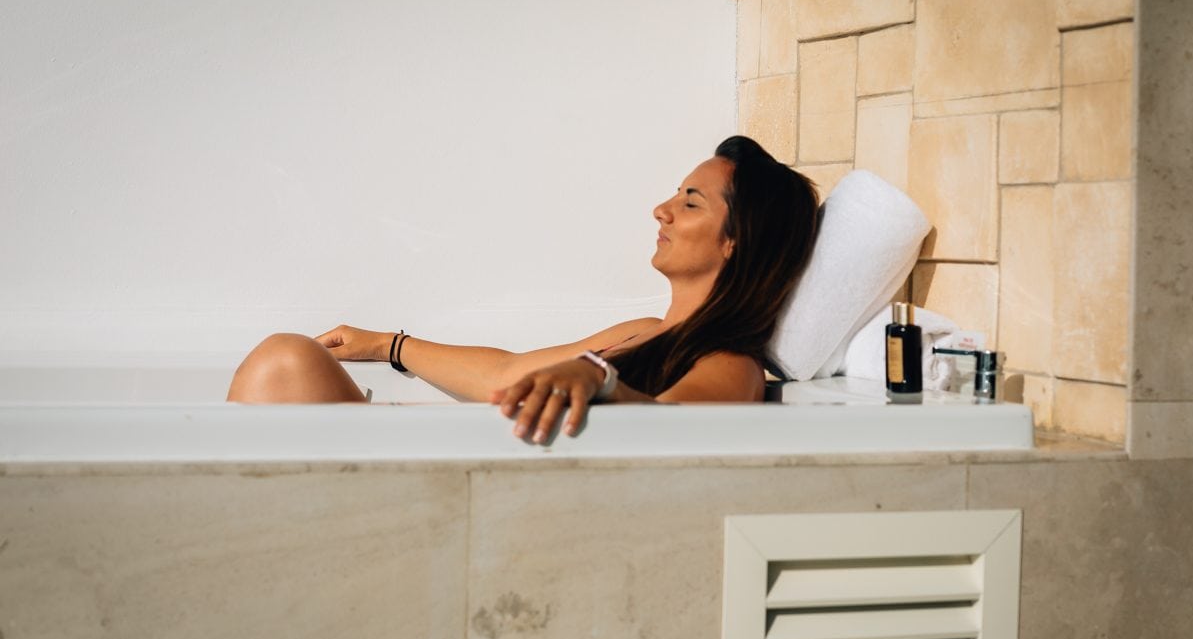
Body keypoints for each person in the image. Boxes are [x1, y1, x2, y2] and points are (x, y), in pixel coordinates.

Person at [226, 135, 819, 443]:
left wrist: (601, 381)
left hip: (468, 490)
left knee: (285, 361)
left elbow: (682, 433)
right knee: (286, 360)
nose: (660, 210)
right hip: (443, 457)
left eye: (690, 203)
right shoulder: (644, 332)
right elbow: (506, 375)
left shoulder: (730, 364)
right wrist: (387, 345)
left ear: (736, 241)